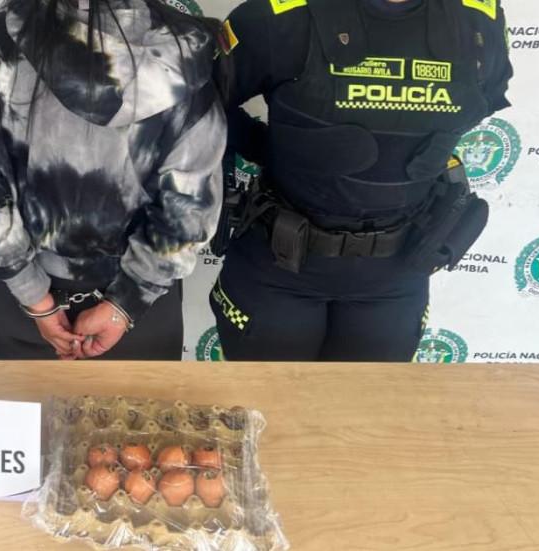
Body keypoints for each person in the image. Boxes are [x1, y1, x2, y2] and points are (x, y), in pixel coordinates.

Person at [210, 0, 513, 361]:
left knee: (366, 413)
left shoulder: (477, 19)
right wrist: (278, 148)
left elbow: (482, 101)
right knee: (267, 412)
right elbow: (203, 105)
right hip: (279, 267)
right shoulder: (279, 16)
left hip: (396, 273)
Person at [0, 0, 227, 360]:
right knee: (143, 418)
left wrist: (35, 297)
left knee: (30, 416)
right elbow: (191, 204)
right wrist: (126, 303)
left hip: (22, 305)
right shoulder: (183, 46)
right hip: (141, 308)